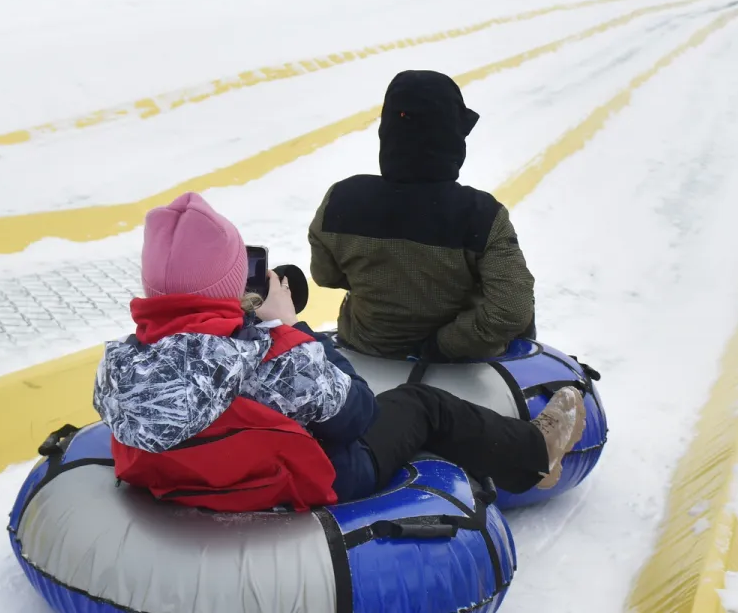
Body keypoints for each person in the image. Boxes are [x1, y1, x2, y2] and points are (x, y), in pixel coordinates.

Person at [94, 192, 586, 512]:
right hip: (317, 480)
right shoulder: (277, 357)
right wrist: (291, 327)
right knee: (421, 406)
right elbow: (356, 412)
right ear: (232, 286)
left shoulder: (117, 366)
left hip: (186, 482)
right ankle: (534, 454)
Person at [310, 71, 536, 361]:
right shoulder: (482, 215)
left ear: (388, 132)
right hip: (458, 363)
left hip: (365, 351)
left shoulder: (340, 200)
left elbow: (325, 276)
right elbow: (512, 309)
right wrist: (441, 346)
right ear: (453, 138)